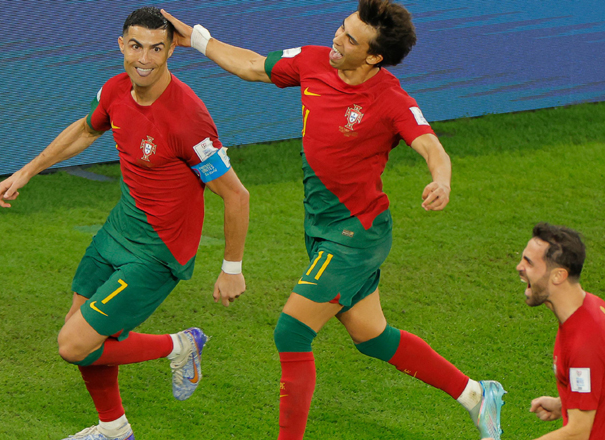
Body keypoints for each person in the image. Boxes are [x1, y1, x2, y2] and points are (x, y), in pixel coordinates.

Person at [161, 1, 505, 438]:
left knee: (290, 332)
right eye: (341, 29)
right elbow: (251, 65)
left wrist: (443, 181)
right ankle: (477, 395)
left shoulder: (391, 99)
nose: (337, 41)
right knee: (373, 336)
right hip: (323, 228)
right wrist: (196, 38)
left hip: (355, 235)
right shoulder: (312, 61)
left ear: (375, 56)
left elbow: (432, 147)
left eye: (351, 39)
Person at [0, 7, 250, 440]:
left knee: (73, 344)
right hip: (120, 228)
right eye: (135, 46)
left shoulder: (188, 117)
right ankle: (114, 430)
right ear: (121, 46)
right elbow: (85, 131)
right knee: (83, 333)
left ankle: (181, 344)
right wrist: (26, 171)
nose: (144, 58)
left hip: (159, 250)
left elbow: (236, 194)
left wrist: (231, 268)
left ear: (170, 51)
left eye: (156, 48)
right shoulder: (115, 91)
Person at [516, 223, 605, 440]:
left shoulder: (584, 343)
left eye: (529, 262)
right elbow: (603, 381)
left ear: (558, 275)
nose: (519, 267)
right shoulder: (596, 306)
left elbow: (578, 433)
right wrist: (566, 403)